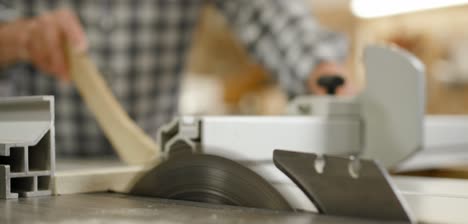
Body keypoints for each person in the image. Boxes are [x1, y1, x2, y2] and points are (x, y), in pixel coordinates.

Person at [0, 0, 350, 158]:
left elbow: (271, 14)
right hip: (24, 169)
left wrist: (320, 72)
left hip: (149, 169)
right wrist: (20, 37)